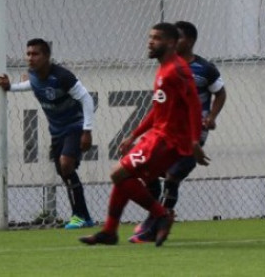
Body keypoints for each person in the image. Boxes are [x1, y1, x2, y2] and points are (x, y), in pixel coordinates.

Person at [80, 22, 206, 247]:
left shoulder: (177, 70)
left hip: (169, 141)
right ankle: (110, 231)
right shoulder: (163, 68)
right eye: (150, 37)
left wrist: (195, 140)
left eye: (156, 38)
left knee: (119, 174)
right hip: (157, 136)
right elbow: (158, 109)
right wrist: (134, 134)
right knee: (124, 178)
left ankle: (161, 214)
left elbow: (194, 105)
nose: (150, 42)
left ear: (170, 42)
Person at [133, 20, 227, 243]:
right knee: (148, 170)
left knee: (174, 174)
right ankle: (155, 218)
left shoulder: (205, 69)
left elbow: (220, 93)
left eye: (180, 38)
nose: (174, 42)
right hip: (168, 131)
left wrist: (211, 116)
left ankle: (156, 223)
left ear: (190, 41)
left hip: (193, 131)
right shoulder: (166, 67)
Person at [0, 38, 96, 229]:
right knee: (63, 170)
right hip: (57, 131)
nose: (30, 58)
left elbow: (86, 99)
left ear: (47, 56)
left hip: (74, 126)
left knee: (66, 164)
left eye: (35, 54)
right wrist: (11, 87)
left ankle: (78, 216)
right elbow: (33, 85)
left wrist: (87, 130)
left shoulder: (62, 76)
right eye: (28, 54)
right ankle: (85, 217)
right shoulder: (33, 75)